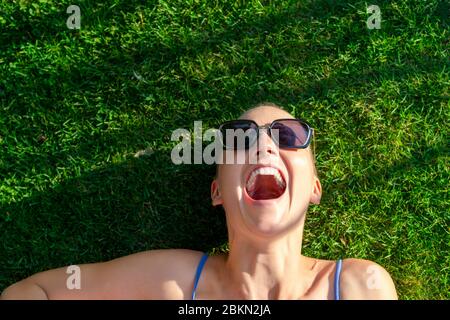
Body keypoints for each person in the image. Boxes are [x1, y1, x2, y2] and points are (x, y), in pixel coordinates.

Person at [1, 103, 397, 300]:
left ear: (315, 187)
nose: (263, 144)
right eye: (240, 138)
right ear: (217, 192)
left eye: (288, 136)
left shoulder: (359, 287)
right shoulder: (172, 282)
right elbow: (35, 294)